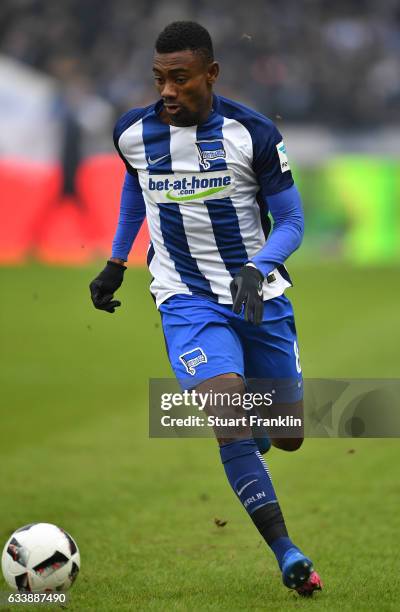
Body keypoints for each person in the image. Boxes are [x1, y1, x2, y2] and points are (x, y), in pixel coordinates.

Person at [90, 21, 322, 597]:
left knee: (287, 432)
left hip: (255, 293)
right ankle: (287, 552)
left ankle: (261, 432)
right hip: (183, 297)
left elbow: (292, 221)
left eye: (181, 78)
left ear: (211, 74)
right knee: (227, 415)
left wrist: (257, 265)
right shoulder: (134, 133)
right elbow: (134, 186)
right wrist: (117, 260)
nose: (167, 90)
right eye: (160, 78)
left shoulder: (254, 133)